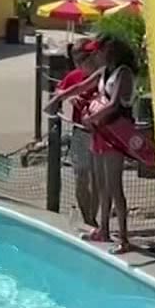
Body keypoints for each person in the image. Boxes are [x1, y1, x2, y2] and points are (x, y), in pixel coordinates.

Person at [77, 38, 153, 254]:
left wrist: (93, 117)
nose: (95, 56)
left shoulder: (124, 73)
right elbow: (87, 88)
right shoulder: (105, 71)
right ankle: (103, 229)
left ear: (110, 51)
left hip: (116, 134)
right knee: (102, 184)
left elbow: (114, 104)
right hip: (101, 132)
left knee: (114, 186)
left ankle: (124, 238)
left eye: (98, 51)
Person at [44, 41, 102, 232]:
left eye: (83, 59)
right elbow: (61, 90)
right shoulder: (74, 76)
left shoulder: (102, 75)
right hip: (80, 131)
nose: (79, 64)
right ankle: (88, 219)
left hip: (100, 133)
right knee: (81, 177)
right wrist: (68, 97)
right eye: (76, 60)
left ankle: (93, 217)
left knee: (97, 179)